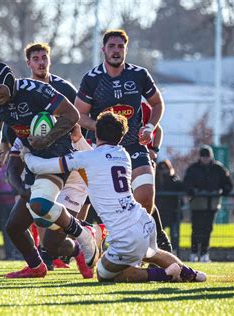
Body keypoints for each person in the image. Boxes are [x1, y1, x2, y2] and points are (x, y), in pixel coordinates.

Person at [24, 111, 206, 283]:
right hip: (143, 220)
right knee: (152, 253)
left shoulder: (87, 158)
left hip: (126, 233)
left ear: (96, 132)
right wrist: (79, 140)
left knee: (104, 274)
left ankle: (164, 275)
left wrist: (27, 154)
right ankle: (188, 273)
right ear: (121, 136)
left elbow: (42, 167)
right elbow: (97, 158)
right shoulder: (123, 154)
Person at [0, 61, 98, 278]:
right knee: (17, 228)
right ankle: (38, 266)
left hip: (60, 158)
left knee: (40, 207)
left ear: (8, 80)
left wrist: (48, 138)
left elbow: (72, 115)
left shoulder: (36, 91)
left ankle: (83, 233)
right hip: (37, 161)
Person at [74, 29, 172, 252]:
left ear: (125, 49)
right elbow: (78, 115)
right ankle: (76, 249)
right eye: (112, 46)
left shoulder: (139, 75)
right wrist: (100, 127)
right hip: (100, 148)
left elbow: (157, 103)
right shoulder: (92, 78)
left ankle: (138, 245)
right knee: (85, 201)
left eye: (120, 47)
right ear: (103, 50)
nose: (116, 51)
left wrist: (150, 127)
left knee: (146, 196)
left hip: (133, 145)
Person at [183, 145, 233, 262]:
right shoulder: (193, 169)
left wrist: (223, 191)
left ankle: (205, 253)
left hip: (212, 204)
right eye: (203, 156)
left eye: (207, 156)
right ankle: (194, 253)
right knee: (196, 229)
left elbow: (228, 183)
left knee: (208, 229)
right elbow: (187, 183)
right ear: (200, 157)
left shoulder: (218, 168)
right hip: (197, 204)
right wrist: (194, 191)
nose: (205, 159)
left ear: (211, 157)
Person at [155, 160, 184, 254]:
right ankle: (158, 253)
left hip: (173, 213)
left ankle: (174, 252)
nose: (163, 172)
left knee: (174, 235)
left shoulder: (174, 180)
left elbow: (181, 188)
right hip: (159, 214)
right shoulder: (155, 181)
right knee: (157, 236)